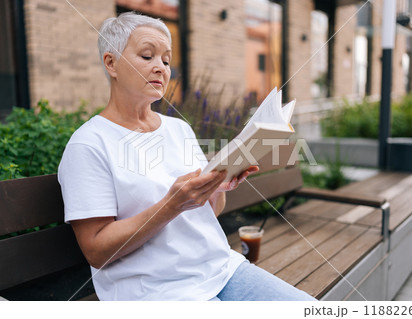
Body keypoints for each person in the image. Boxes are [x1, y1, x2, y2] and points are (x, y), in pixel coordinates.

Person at [58, 12, 316, 301]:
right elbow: (97, 250)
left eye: (167, 61)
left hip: (221, 270)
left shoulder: (178, 128)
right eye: (147, 56)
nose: (161, 68)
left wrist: (216, 187)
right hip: (154, 291)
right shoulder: (89, 144)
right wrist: (171, 205)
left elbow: (208, 213)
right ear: (111, 62)